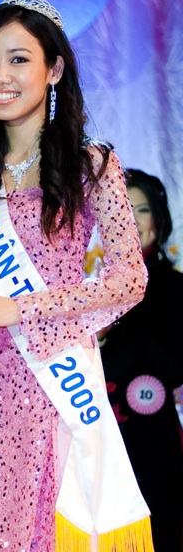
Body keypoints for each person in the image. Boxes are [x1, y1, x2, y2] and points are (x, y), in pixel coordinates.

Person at [0, 0, 150, 550]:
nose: (0, 75)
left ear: (54, 69)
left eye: (18, 58)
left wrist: (21, 307)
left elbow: (130, 280)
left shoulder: (91, 165)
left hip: (58, 383)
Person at [99, 169, 183, 551]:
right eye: (123, 208)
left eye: (143, 209)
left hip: (153, 437)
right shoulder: (93, 288)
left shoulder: (175, 287)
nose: (131, 219)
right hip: (100, 438)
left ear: (159, 220)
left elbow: (174, 364)